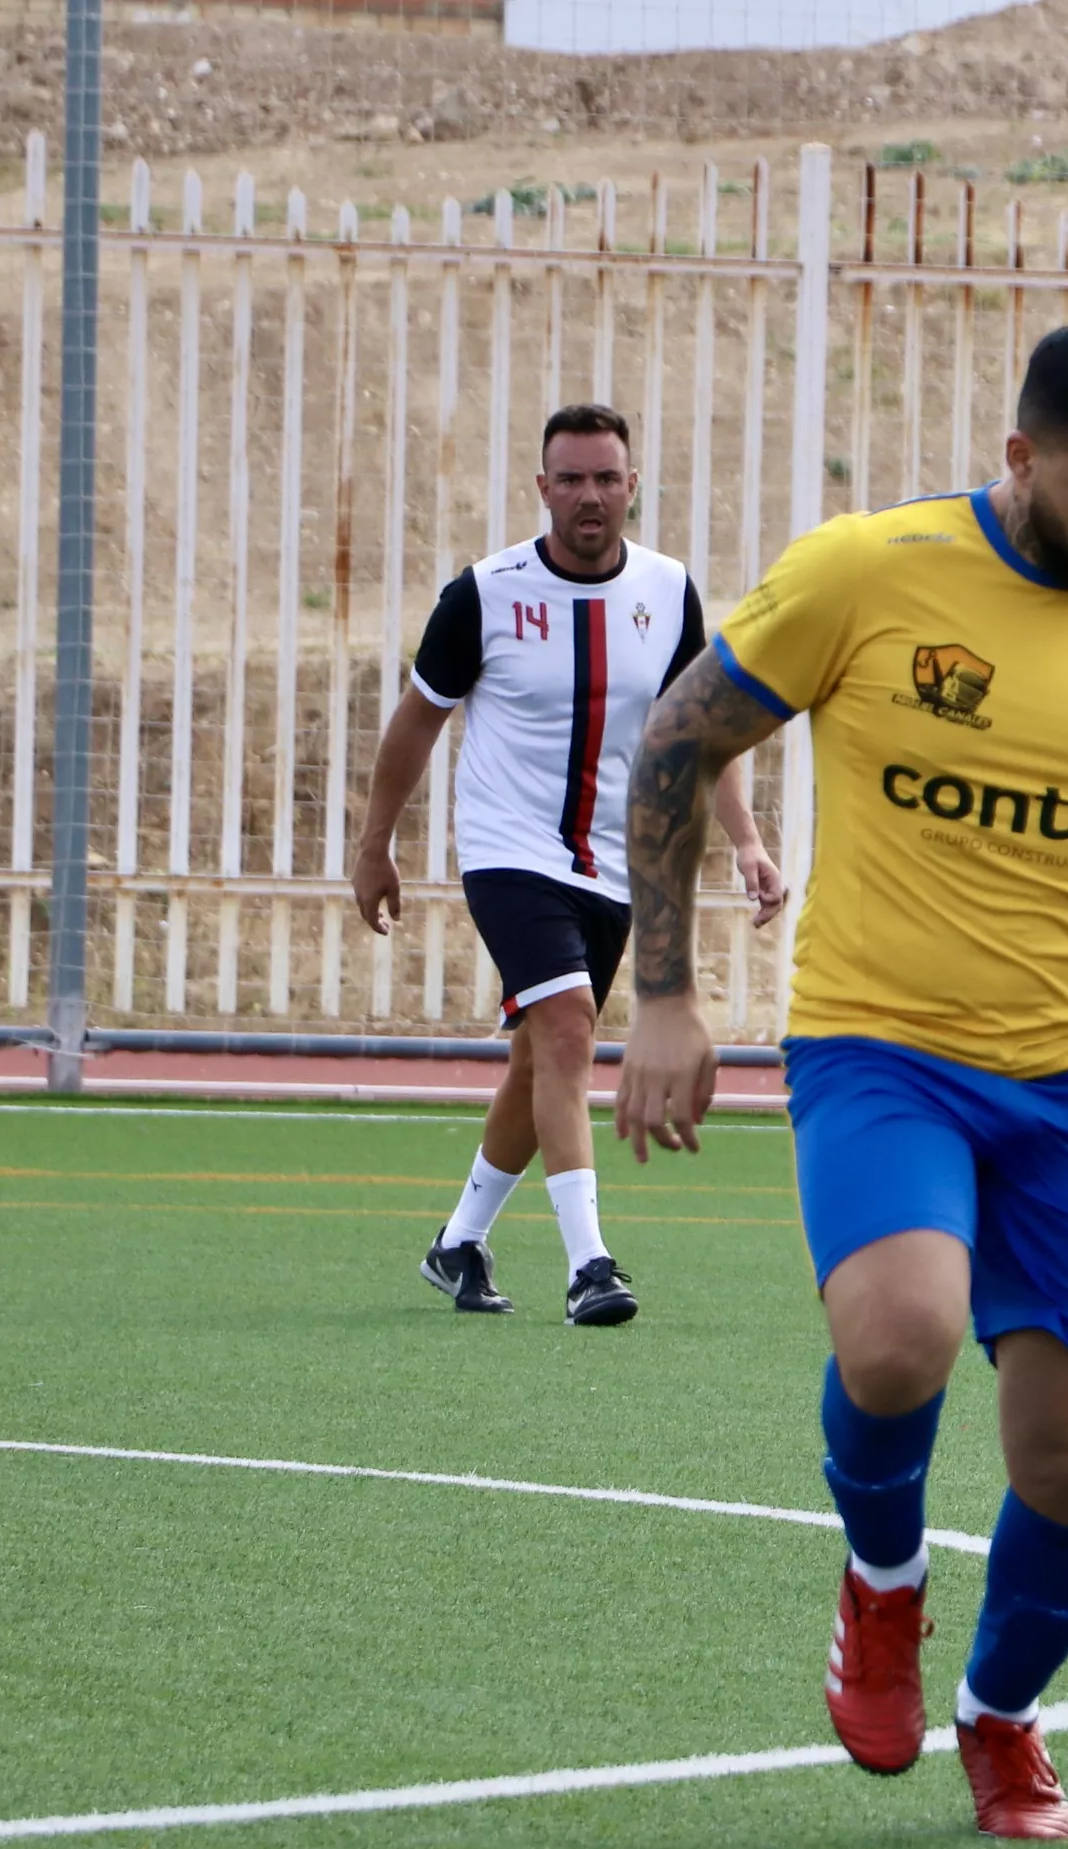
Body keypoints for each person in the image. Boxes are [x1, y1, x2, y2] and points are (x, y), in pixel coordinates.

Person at [608, 321, 1068, 1841]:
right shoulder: (867, 570)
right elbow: (674, 745)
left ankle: (997, 1717)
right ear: (1020, 457)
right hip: (881, 1048)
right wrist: (660, 995)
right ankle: (880, 1589)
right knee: (900, 1340)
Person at [353, 402, 786, 1327]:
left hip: (614, 866)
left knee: (537, 1059)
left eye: (606, 478)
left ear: (633, 486)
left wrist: (745, 837)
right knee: (566, 1025)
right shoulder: (485, 592)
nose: (589, 496)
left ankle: (457, 1243)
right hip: (509, 850)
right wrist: (373, 843)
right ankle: (590, 1264)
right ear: (541, 487)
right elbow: (418, 719)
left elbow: (701, 727)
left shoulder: (669, 590)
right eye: (571, 479)